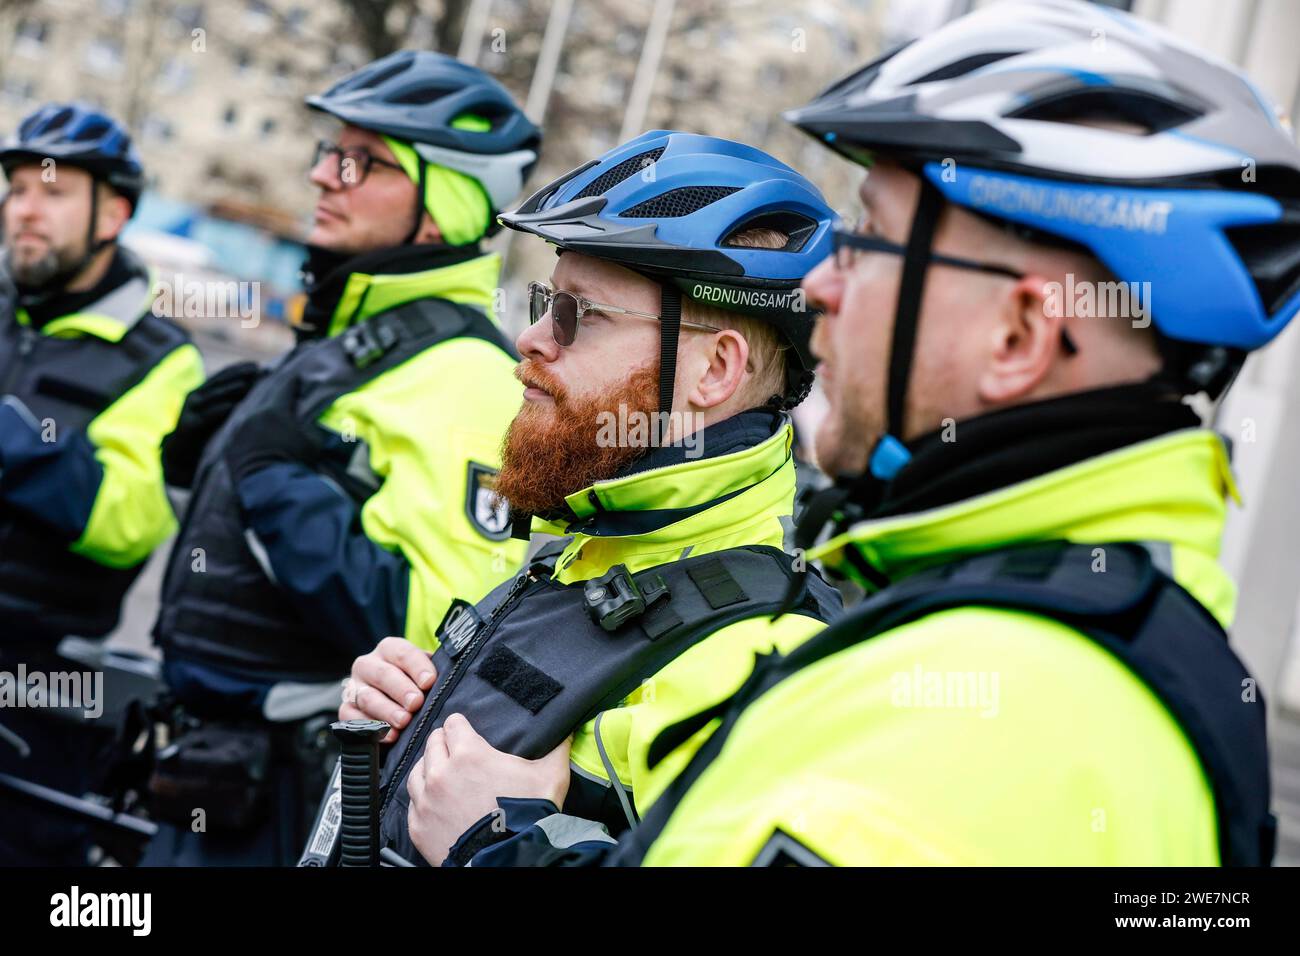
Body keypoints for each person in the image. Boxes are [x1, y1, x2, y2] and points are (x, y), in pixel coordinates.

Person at [411, 0, 1300, 866]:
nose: (824, 284)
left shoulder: (990, 707)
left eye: (873, 236)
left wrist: (498, 849)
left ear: (1018, 338)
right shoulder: (1057, 628)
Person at [321, 131, 843, 866]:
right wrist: (390, 735)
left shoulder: (761, 653)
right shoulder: (583, 549)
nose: (531, 339)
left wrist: (500, 848)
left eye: (580, 313)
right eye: (544, 303)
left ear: (715, 368)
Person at [145, 51, 539, 866]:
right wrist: (199, 473)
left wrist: (277, 488)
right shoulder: (349, 341)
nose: (326, 174)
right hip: (208, 769)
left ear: (440, 207)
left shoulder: (465, 375)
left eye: (362, 161)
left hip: (295, 799)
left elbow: (442, 640)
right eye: (330, 151)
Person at [0, 103, 204, 865]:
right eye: (17, 188)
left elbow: (133, 518)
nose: (25, 208)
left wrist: (20, 441)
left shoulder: (160, 356)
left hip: (36, 681)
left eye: (52, 191)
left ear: (112, 211)